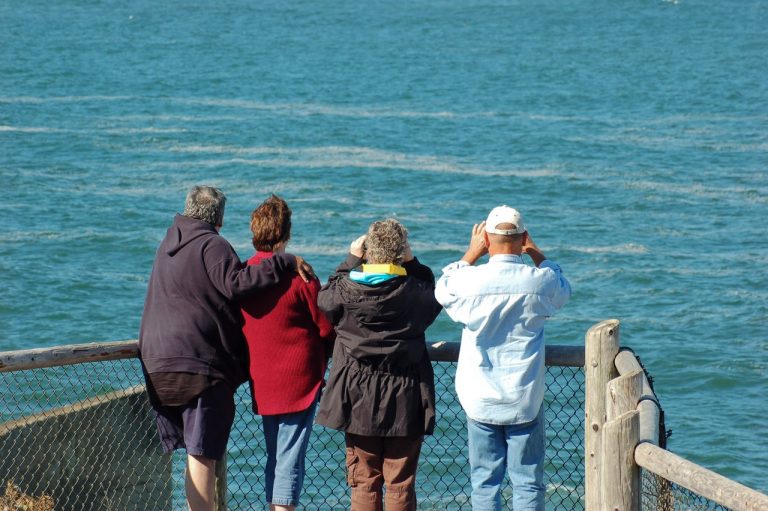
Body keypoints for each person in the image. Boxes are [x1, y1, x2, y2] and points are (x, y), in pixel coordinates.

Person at [138, 185, 314, 511]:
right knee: (202, 453)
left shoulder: (167, 246)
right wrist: (284, 262)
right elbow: (238, 285)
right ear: (218, 217)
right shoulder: (212, 245)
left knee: (195, 453)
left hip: (157, 361)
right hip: (197, 365)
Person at [434, 206, 571, 511]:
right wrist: (536, 252)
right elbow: (562, 287)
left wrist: (470, 254)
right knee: (528, 482)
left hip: (480, 397)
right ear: (524, 238)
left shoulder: (471, 282)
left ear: (486, 239)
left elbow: (442, 290)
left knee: (484, 482)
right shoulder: (537, 282)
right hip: (524, 396)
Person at [315, 219, 442, 511]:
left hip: (357, 395)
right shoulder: (415, 292)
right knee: (400, 484)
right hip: (406, 394)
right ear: (401, 253)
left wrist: (350, 259)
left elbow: (324, 298)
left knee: (364, 480)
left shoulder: (345, 291)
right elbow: (433, 290)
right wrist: (413, 263)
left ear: (368, 251)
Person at [240, 195, 336, 511]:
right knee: (290, 456)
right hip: (299, 380)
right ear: (285, 234)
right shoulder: (300, 276)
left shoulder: (243, 276)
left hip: (262, 378)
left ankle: (274, 506)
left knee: (274, 455)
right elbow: (324, 326)